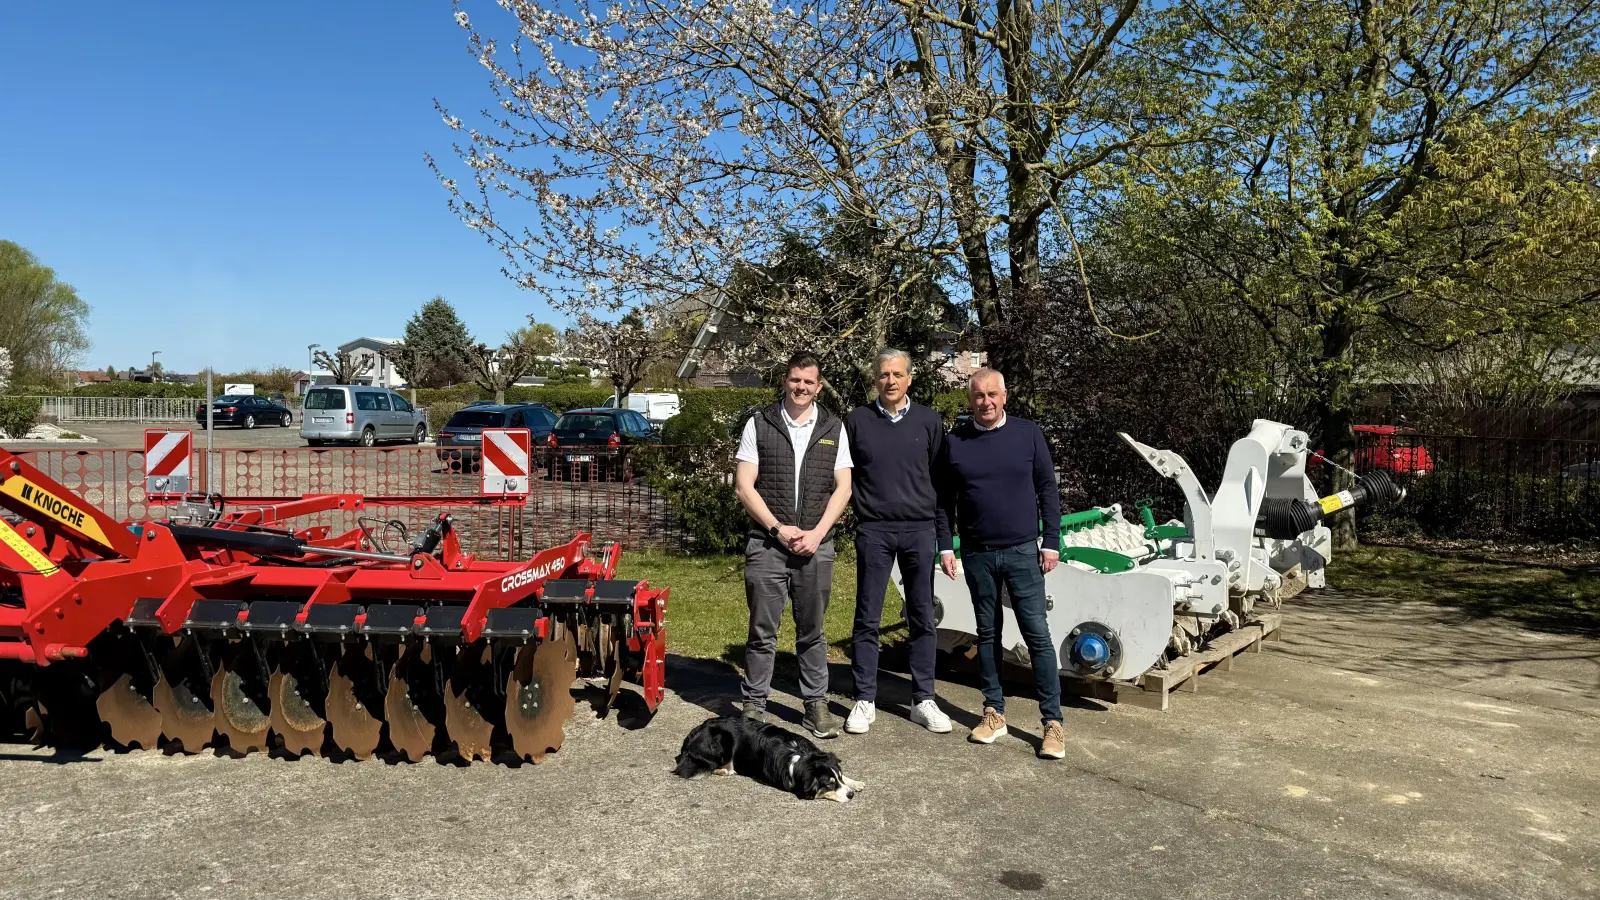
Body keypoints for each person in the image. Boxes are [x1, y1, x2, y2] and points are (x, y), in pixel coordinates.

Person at [936, 368, 1067, 760]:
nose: (986, 402)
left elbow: (1048, 489)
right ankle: (994, 712)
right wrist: (947, 547)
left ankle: (1053, 723)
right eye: (978, 396)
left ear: (1004, 396)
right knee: (986, 635)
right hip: (977, 553)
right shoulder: (954, 442)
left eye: (993, 394)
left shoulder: (1028, 434)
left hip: (1024, 551)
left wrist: (1052, 542)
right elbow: (944, 501)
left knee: (1037, 635)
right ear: (970, 400)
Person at [734, 351, 853, 738]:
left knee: (812, 631)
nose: (801, 387)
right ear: (785, 381)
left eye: (808, 382)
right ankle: (754, 703)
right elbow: (744, 486)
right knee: (762, 630)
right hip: (767, 545)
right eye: (794, 380)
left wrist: (817, 534)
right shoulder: (760, 423)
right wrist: (776, 529)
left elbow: (844, 488)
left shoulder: (834, 427)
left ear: (818, 387)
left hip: (816, 547)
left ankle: (815, 705)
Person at [842, 349, 950, 735]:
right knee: (867, 616)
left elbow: (941, 485)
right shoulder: (857, 421)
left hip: (919, 531)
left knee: (922, 616)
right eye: (884, 374)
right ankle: (864, 699)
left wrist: (945, 539)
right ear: (876, 379)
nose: (891, 381)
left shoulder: (929, 421)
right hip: (874, 531)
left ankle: (923, 699)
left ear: (909, 379)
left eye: (898, 374)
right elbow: (845, 476)